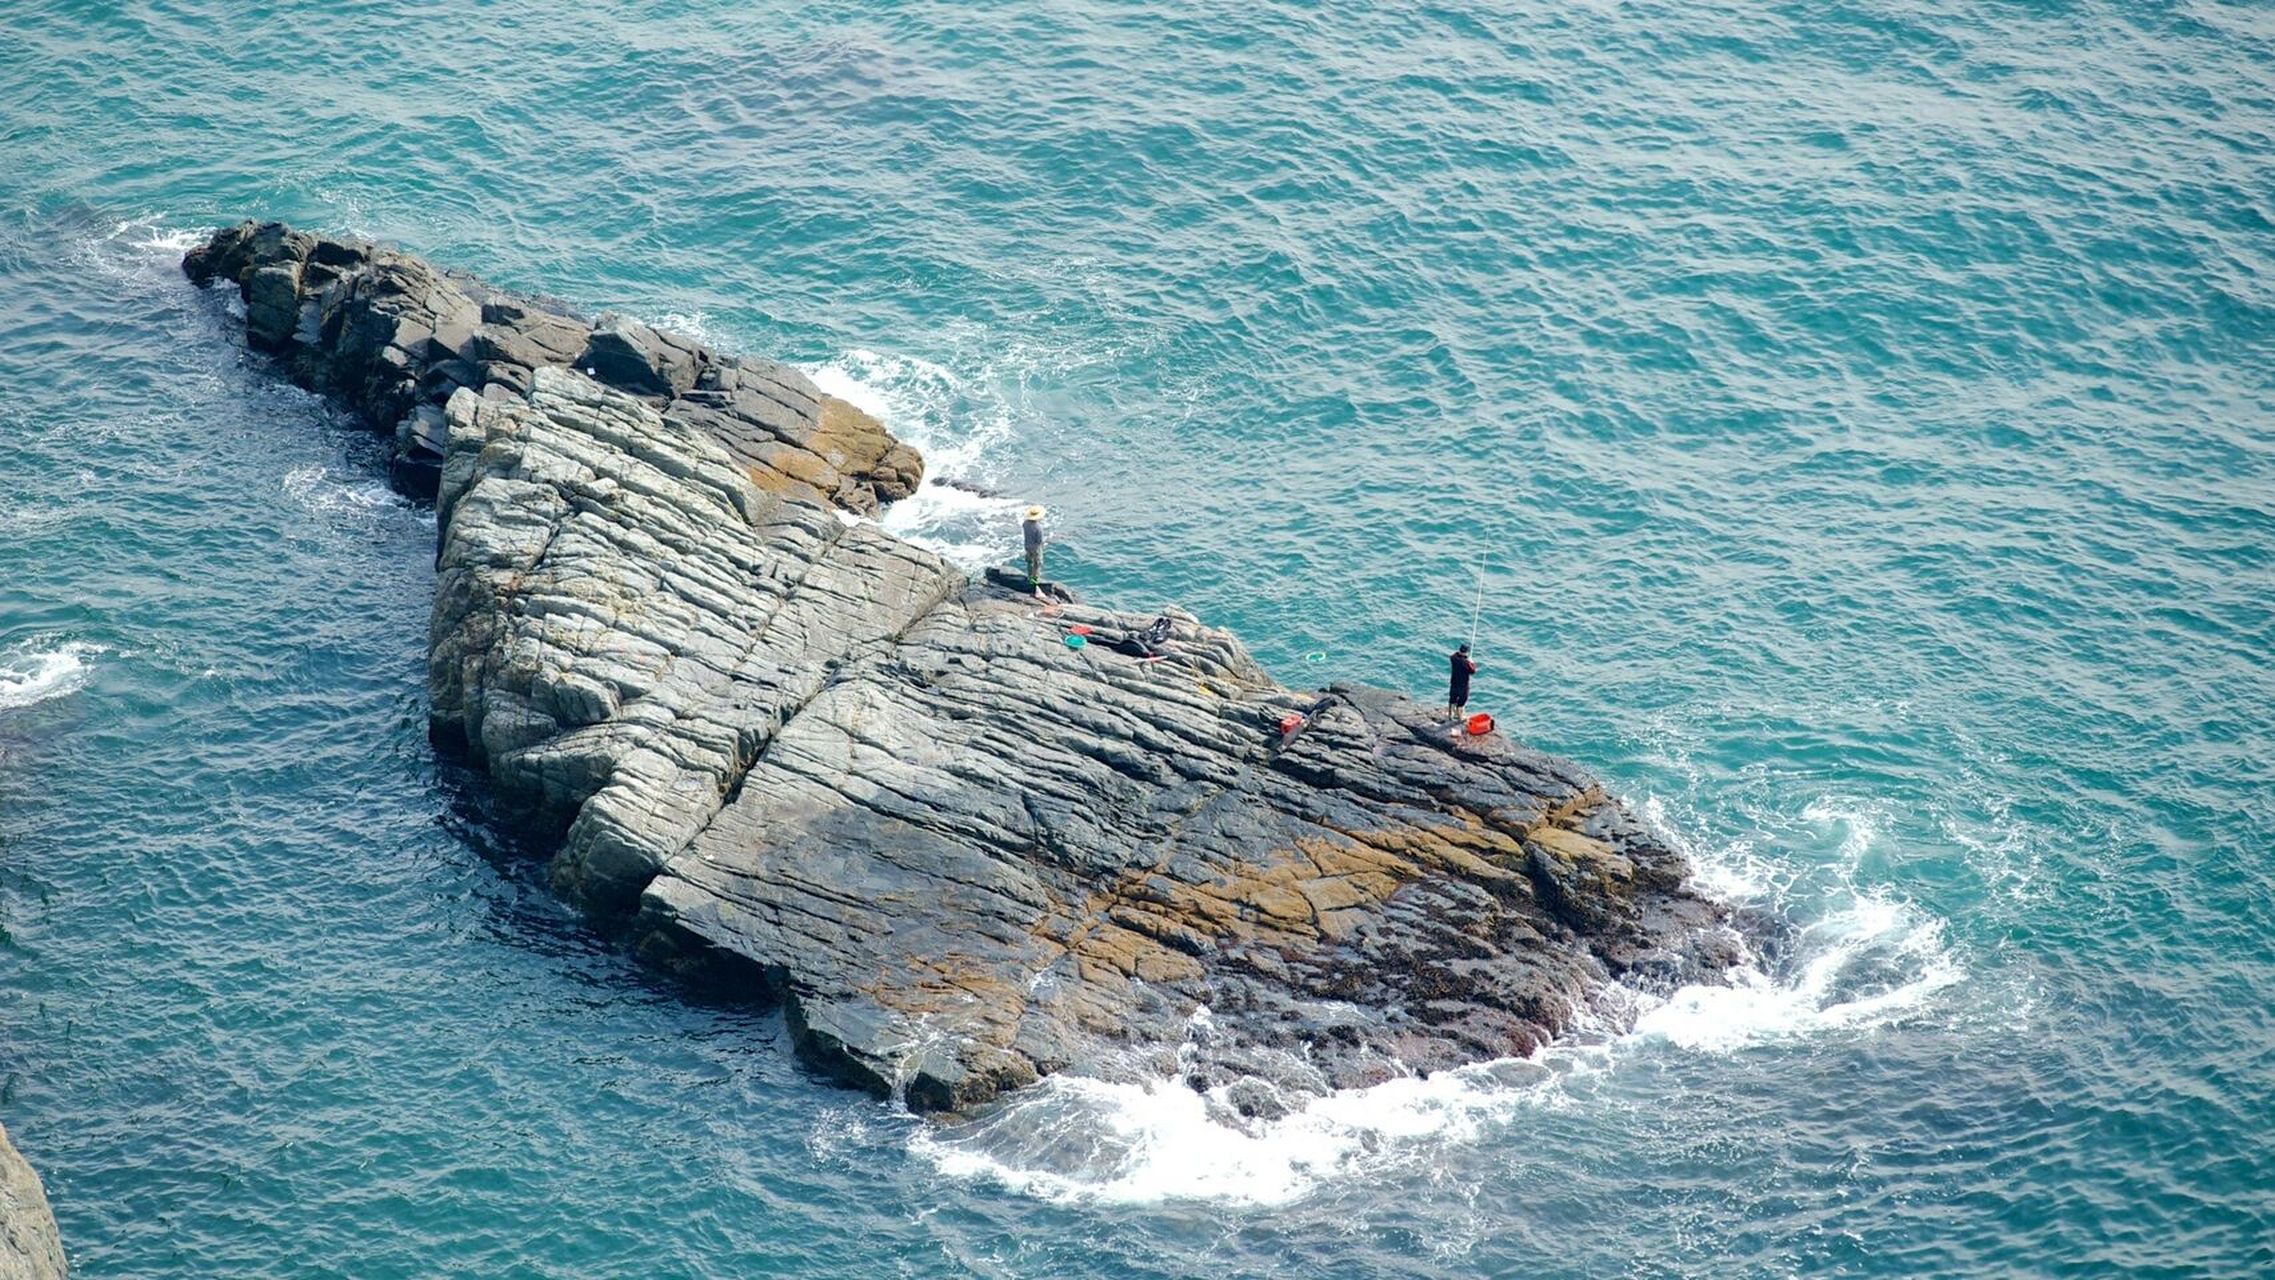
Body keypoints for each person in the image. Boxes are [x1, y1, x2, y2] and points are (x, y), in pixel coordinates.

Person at [1446, 641, 1478, 720]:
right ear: (1466, 652)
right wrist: (1471, 662)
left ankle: (1450, 715)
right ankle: (1460, 717)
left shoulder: (1453, 658)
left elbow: (1454, 655)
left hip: (1454, 683)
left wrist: (1467, 659)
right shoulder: (1465, 663)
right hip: (1463, 686)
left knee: (1452, 699)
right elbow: (1473, 671)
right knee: (1462, 701)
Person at [1021, 505, 1047, 593]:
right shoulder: (1038, 527)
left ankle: (1029, 577)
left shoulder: (1025, 523)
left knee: (1029, 562)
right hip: (1035, 548)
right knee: (1037, 563)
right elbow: (1039, 540)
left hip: (1027, 546)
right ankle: (1035, 582)